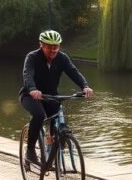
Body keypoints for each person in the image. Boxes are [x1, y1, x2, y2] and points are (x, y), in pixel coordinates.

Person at [19, 30, 93, 165]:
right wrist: (32, 89)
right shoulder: (32, 57)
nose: (53, 50)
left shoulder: (62, 58)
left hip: (51, 97)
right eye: (49, 46)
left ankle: (50, 156)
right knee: (39, 115)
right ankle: (30, 151)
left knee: (54, 124)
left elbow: (73, 72)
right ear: (41, 45)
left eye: (56, 46)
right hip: (30, 96)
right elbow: (27, 75)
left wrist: (85, 86)